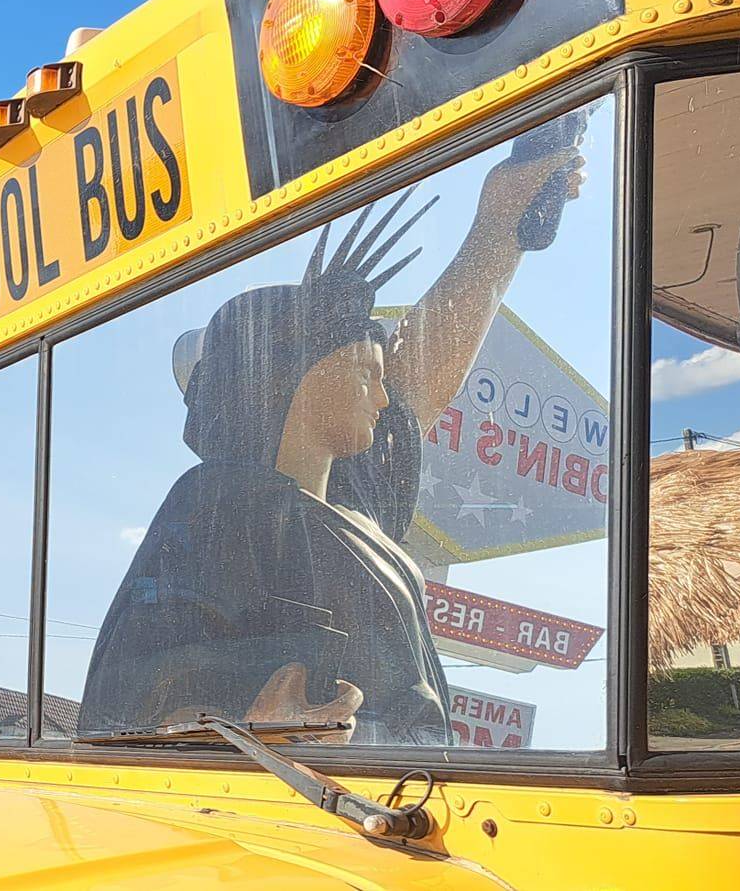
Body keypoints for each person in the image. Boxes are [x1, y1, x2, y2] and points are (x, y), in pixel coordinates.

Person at [79, 137, 585, 745]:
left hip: (404, 788)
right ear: (294, 381)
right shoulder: (223, 500)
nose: (383, 397)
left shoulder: (352, 508)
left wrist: (499, 229)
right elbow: (139, 677)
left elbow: (423, 369)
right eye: (366, 374)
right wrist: (237, 720)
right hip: (309, 800)